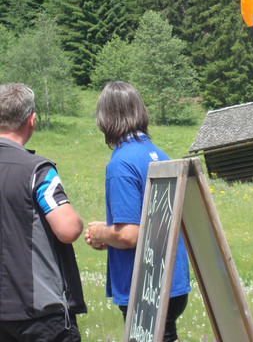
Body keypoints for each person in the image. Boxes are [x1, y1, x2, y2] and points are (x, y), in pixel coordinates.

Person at [85, 81, 190, 342]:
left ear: (104, 118)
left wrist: (100, 232)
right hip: (172, 282)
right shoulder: (159, 154)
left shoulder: (121, 164)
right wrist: (109, 233)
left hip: (145, 288)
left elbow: (129, 235)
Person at [0, 82, 86, 342]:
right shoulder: (38, 171)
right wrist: (80, 222)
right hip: (38, 312)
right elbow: (68, 230)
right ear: (32, 120)